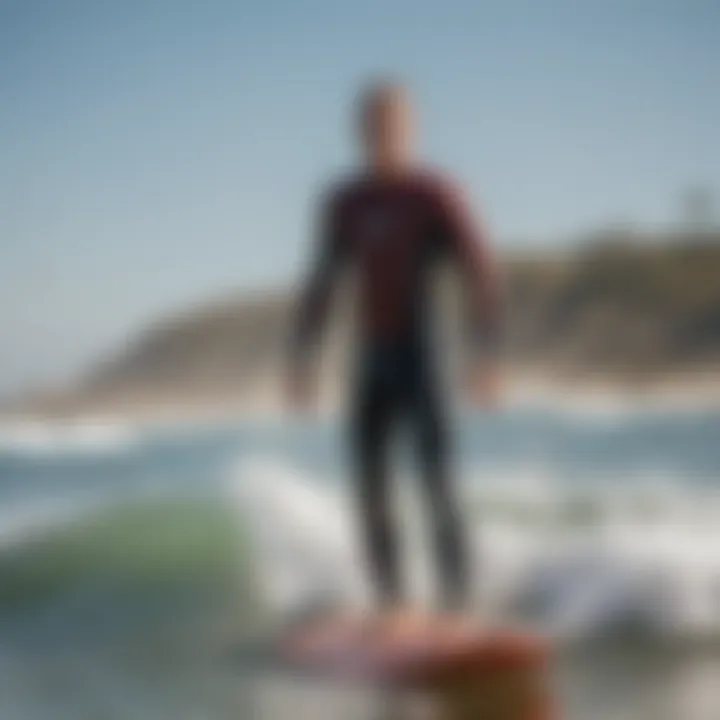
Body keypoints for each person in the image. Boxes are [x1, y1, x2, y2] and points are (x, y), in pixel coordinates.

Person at [287, 80, 503, 616]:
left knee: (436, 483)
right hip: (372, 358)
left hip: (425, 356)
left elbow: (480, 271)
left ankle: (458, 605)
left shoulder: (435, 194)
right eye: (375, 124)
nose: (386, 134)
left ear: (412, 127)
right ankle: (392, 605)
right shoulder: (345, 202)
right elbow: (323, 281)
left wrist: (487, 353)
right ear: (360, 131)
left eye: (396, 123)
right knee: (369, 487)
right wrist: (303, 359)